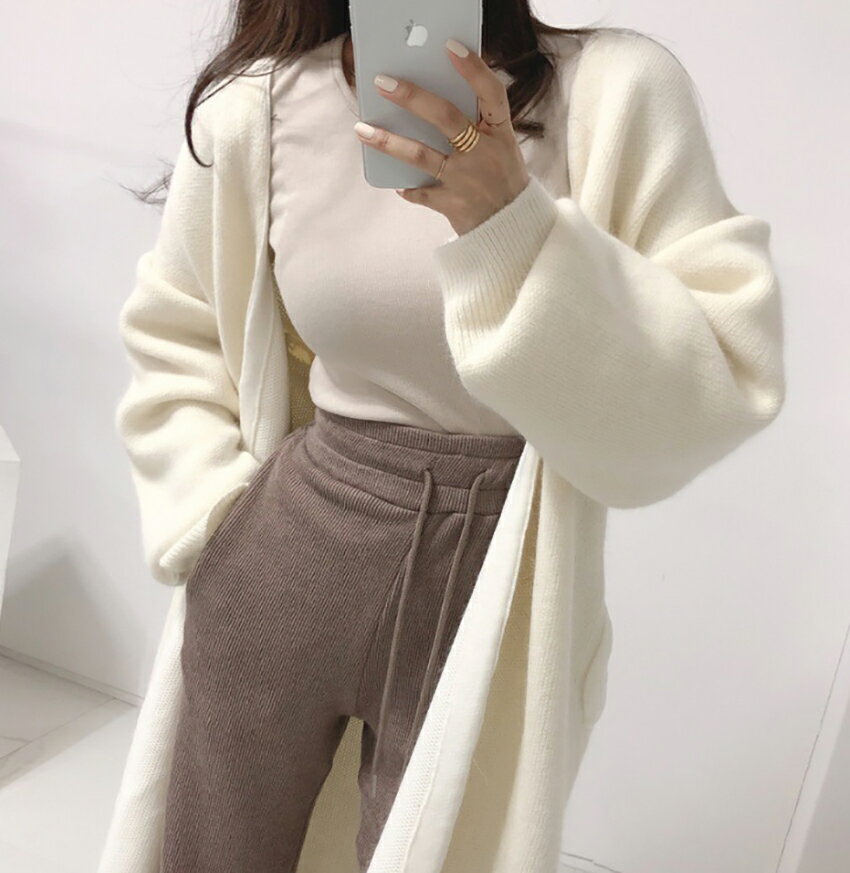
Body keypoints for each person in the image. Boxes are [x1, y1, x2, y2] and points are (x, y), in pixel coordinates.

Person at [99, 4, 786, 873]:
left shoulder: (615, 94)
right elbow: (178, 327)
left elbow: (725, 375)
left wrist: (512, 220)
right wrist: (211, 524)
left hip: (497, 581)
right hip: (287, 548)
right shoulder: (260, 105)